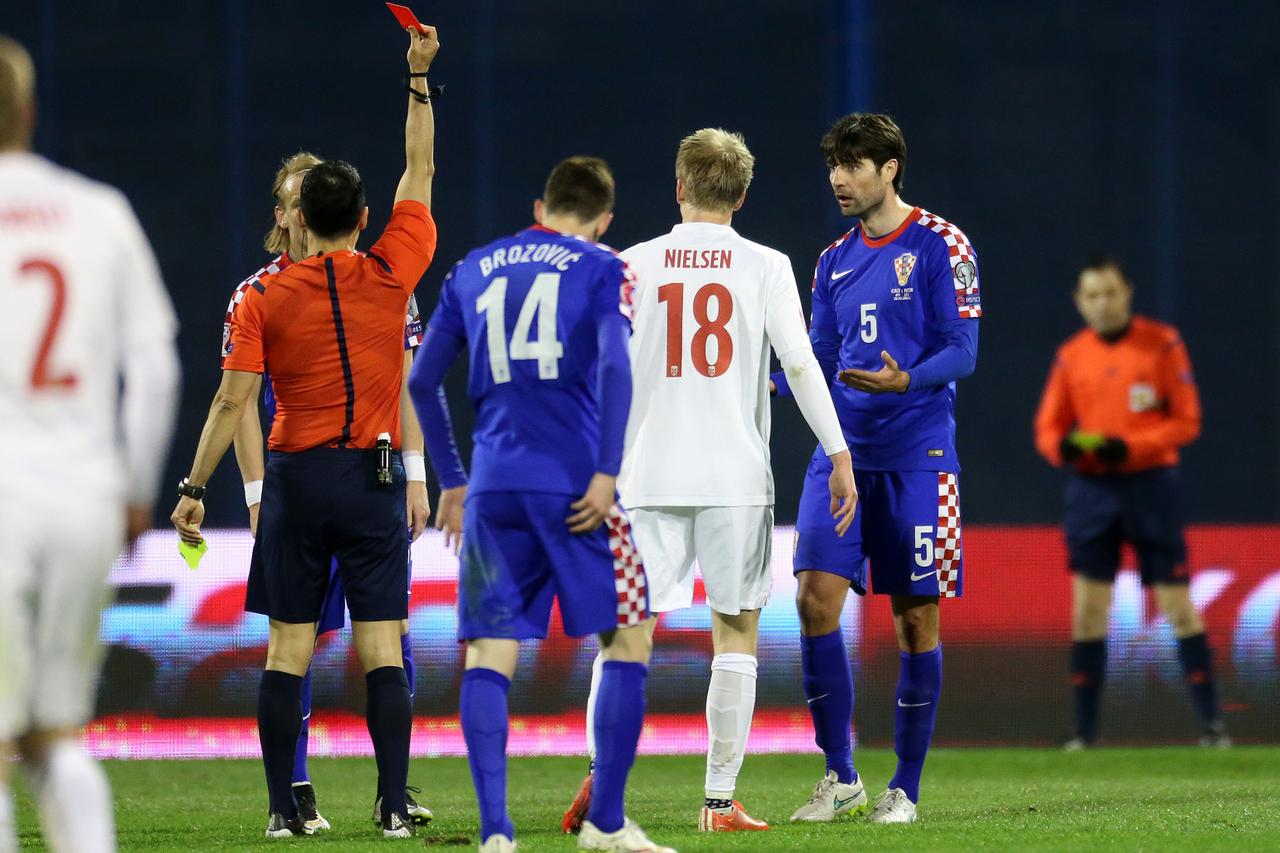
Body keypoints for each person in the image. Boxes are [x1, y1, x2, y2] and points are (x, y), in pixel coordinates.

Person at [170, 24, 441, 839]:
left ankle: (285, 811)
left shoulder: (262, 298)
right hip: (372, 479)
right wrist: (418, 77)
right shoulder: (395, 273)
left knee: (287, 650)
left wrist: (192, 488)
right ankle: (394, 804)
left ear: (297, 219)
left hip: (294, 479)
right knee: (382, 646)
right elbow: (420, 169)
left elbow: (232, 400)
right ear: (363, 215)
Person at [561, 129, 857, 835]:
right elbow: (802, 363)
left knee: (627, 636)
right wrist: (838, 450)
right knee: (736, 631)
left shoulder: (630, 262)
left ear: (679, 186)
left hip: (646, 472)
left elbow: (595, 372)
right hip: (734, 474)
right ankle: (718, 804)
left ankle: (606, 790)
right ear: (743, 193)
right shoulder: (767, 265)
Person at [409, 157, 674, 853]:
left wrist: (453, 479)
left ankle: (497, 832)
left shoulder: (473, 267)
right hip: (572, 488)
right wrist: (609, 470)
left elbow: (421, 380)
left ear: (541, 205)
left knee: (489, 655)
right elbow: (616, 365)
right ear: (604, 219)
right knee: (631, 632)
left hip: (492, 491)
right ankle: (607, 823)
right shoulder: (603, 267)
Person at [0, 34, 181, 853]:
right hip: (81, 495)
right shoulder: (99, 211)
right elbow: (156, 365)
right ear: (29, 113)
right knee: (58, 734)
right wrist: (135, 488)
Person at [776, 113, 980, 825]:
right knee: (812, 601)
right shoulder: (832, 260)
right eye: (834, 163)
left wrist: (908, 379)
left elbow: (964, 349)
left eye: (855, 163)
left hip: (921, 460)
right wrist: (756, 379)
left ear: (891, 167)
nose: (840, 176)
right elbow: (819, 360)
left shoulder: (940, 244)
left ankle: (907, 787)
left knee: (915, 622)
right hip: (842, 458)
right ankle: (840, 775)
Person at [223, 151, 434, 831]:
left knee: (372, 636)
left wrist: (417, 472)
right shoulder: (272, 290)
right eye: (283, 198)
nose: (292, 212)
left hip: (329, 479)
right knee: (306, 640)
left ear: (307, 214)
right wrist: (255, 490)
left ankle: (385, 792)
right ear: (279, 214)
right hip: (328, 481)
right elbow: (244, 404)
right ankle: (300, 784)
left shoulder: (361, 283)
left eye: (300, 200)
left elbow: (402, 383)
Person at [1033, 257, 1226, 749]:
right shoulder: (1072, 354)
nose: (1102, 303)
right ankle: (1082, 735)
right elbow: (1048, 428)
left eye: (1110, 293)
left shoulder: (1162, 343)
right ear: (1079, 302)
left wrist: (1131, 446)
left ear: (1127, 294)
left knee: (1178, 606)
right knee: (1087, 614)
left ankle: (1212, 727)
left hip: (1150, 485)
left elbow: (1188, 421)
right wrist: (1066, 448)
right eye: (1092, 295)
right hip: (1093, 492)